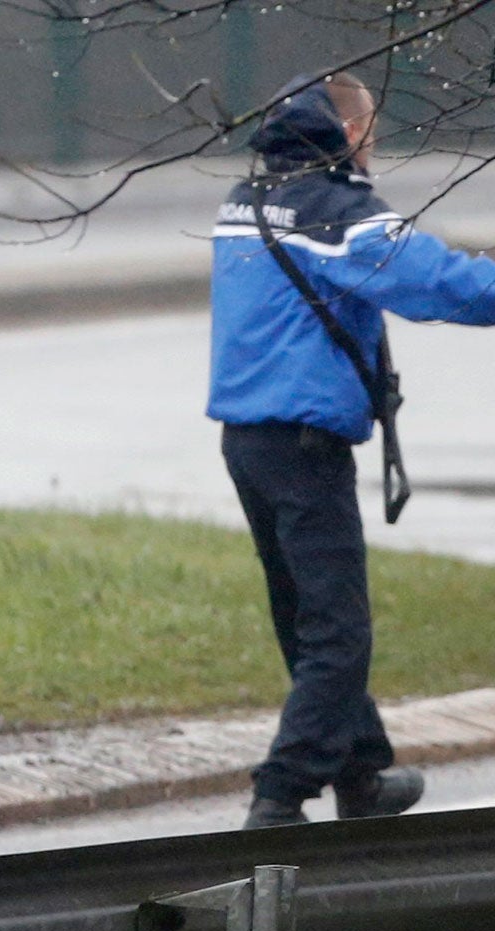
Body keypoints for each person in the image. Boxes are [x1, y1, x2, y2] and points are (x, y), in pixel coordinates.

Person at [209, 73, 495, 828]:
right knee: (338, 628)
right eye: (370, 132)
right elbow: (439, 282)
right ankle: (282, 791)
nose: (374, 148)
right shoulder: (336, 212)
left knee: (302, 611)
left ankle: (361, 773)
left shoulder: (248, 201)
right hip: (305, 448)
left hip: (246, 443)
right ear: (347, 132)